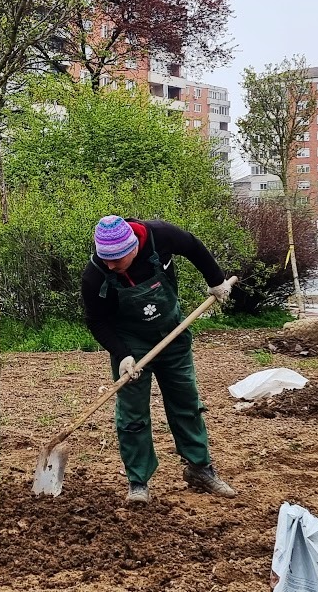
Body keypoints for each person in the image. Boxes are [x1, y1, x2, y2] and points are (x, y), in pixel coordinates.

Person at [80, 215, 237, 504]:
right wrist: (122, 353)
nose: (111, 265)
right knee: (132, 414)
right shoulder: (95, 274)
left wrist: (216, 280)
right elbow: (96, 321)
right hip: (131, 343)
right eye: (106, 259)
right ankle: (138, 482)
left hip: (173, 333)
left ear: (133, 247)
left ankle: (200, 468)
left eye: (117, 259)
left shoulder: (159, 236)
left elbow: (192, 246)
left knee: (186, 403)